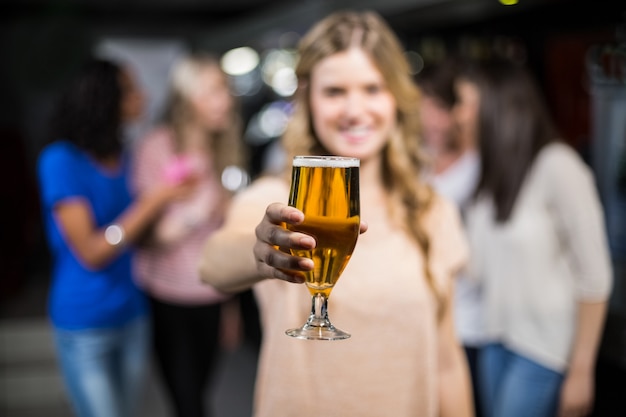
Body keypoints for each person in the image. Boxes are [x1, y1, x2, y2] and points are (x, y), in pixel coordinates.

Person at [199, 10, 474, 417]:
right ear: (308, 98)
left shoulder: (431, 209)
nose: (354, 109)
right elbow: (212, 266)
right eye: (334, 92)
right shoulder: (279, 199)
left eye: (372, 88)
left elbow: (447, 361)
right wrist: (260, 252)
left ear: (395, 97)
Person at [36, 58, 194, 417]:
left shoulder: (124, 156)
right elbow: (92, 251)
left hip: (132, 311)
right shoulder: (61, 160)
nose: (143, 97)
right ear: (106, 99)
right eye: (132, 90)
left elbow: (137, 233)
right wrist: (155, 200)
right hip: (84, 319)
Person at [456, 57, 613, 417]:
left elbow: (596, 277)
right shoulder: (493, 174)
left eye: (467, 103)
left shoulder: (559, 165)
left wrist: (582, 370)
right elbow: (475, 268)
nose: (460, 115)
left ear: (498, 107)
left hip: (543, 347)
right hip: (494, 337)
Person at [131, 53, 248, 417]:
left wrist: (230, 306)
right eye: (214, 90)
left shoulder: (223, 150)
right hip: (168, 296)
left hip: (211, 293)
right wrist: (199, 212)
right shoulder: (157, 147)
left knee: (199, 394)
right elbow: (150, 236)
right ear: (188, 96)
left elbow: (225, 238)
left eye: (225, 90)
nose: (225, 100)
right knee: (188, 403)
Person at [415, 57, 484, 417]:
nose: (431, 121)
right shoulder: (414, 163)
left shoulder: (482, 166)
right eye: (423, 109)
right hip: (422, 312)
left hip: (470, 316)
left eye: (440, 108)